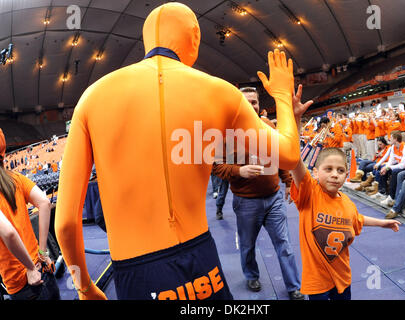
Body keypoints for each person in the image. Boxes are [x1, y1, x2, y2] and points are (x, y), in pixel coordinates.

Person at [55, 2, 300, 300]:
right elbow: (288, 154)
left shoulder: (91, 98)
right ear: (194, 37)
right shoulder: (220, 92)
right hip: (201, 262)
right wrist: (283, 97)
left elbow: (66, 223)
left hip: (135, 271)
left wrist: (84, 287)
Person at [288, 98, 400, 300]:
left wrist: (383, 223)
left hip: (343, 278)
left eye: (340, 170)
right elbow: (294, 158)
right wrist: (295, 118)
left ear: (346, 174)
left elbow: (357, 219)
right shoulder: (310, 194)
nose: (334, 174)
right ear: (315, 172)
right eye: (328, 169)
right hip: (318, 283)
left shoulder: (346, 201)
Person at [212, 86, 304, 300]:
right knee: (247, 244)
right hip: (246, 203)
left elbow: (279, 155)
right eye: (247, 102)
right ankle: (251, 274)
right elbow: (216, 167)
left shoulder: (267, 125)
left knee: (285, 245)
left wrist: (288, 181)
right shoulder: (225, 132)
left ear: (259, 105)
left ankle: (293, 287)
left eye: (254, 102)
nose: (251, 106)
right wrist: (239, 171)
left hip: (274, 198)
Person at [0, 129, 60, 300]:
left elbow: (9, 233)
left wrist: (30, 268)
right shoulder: (16, 178)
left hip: (25, 283)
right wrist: (42, 253)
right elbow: (44, 203)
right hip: (43, 269)